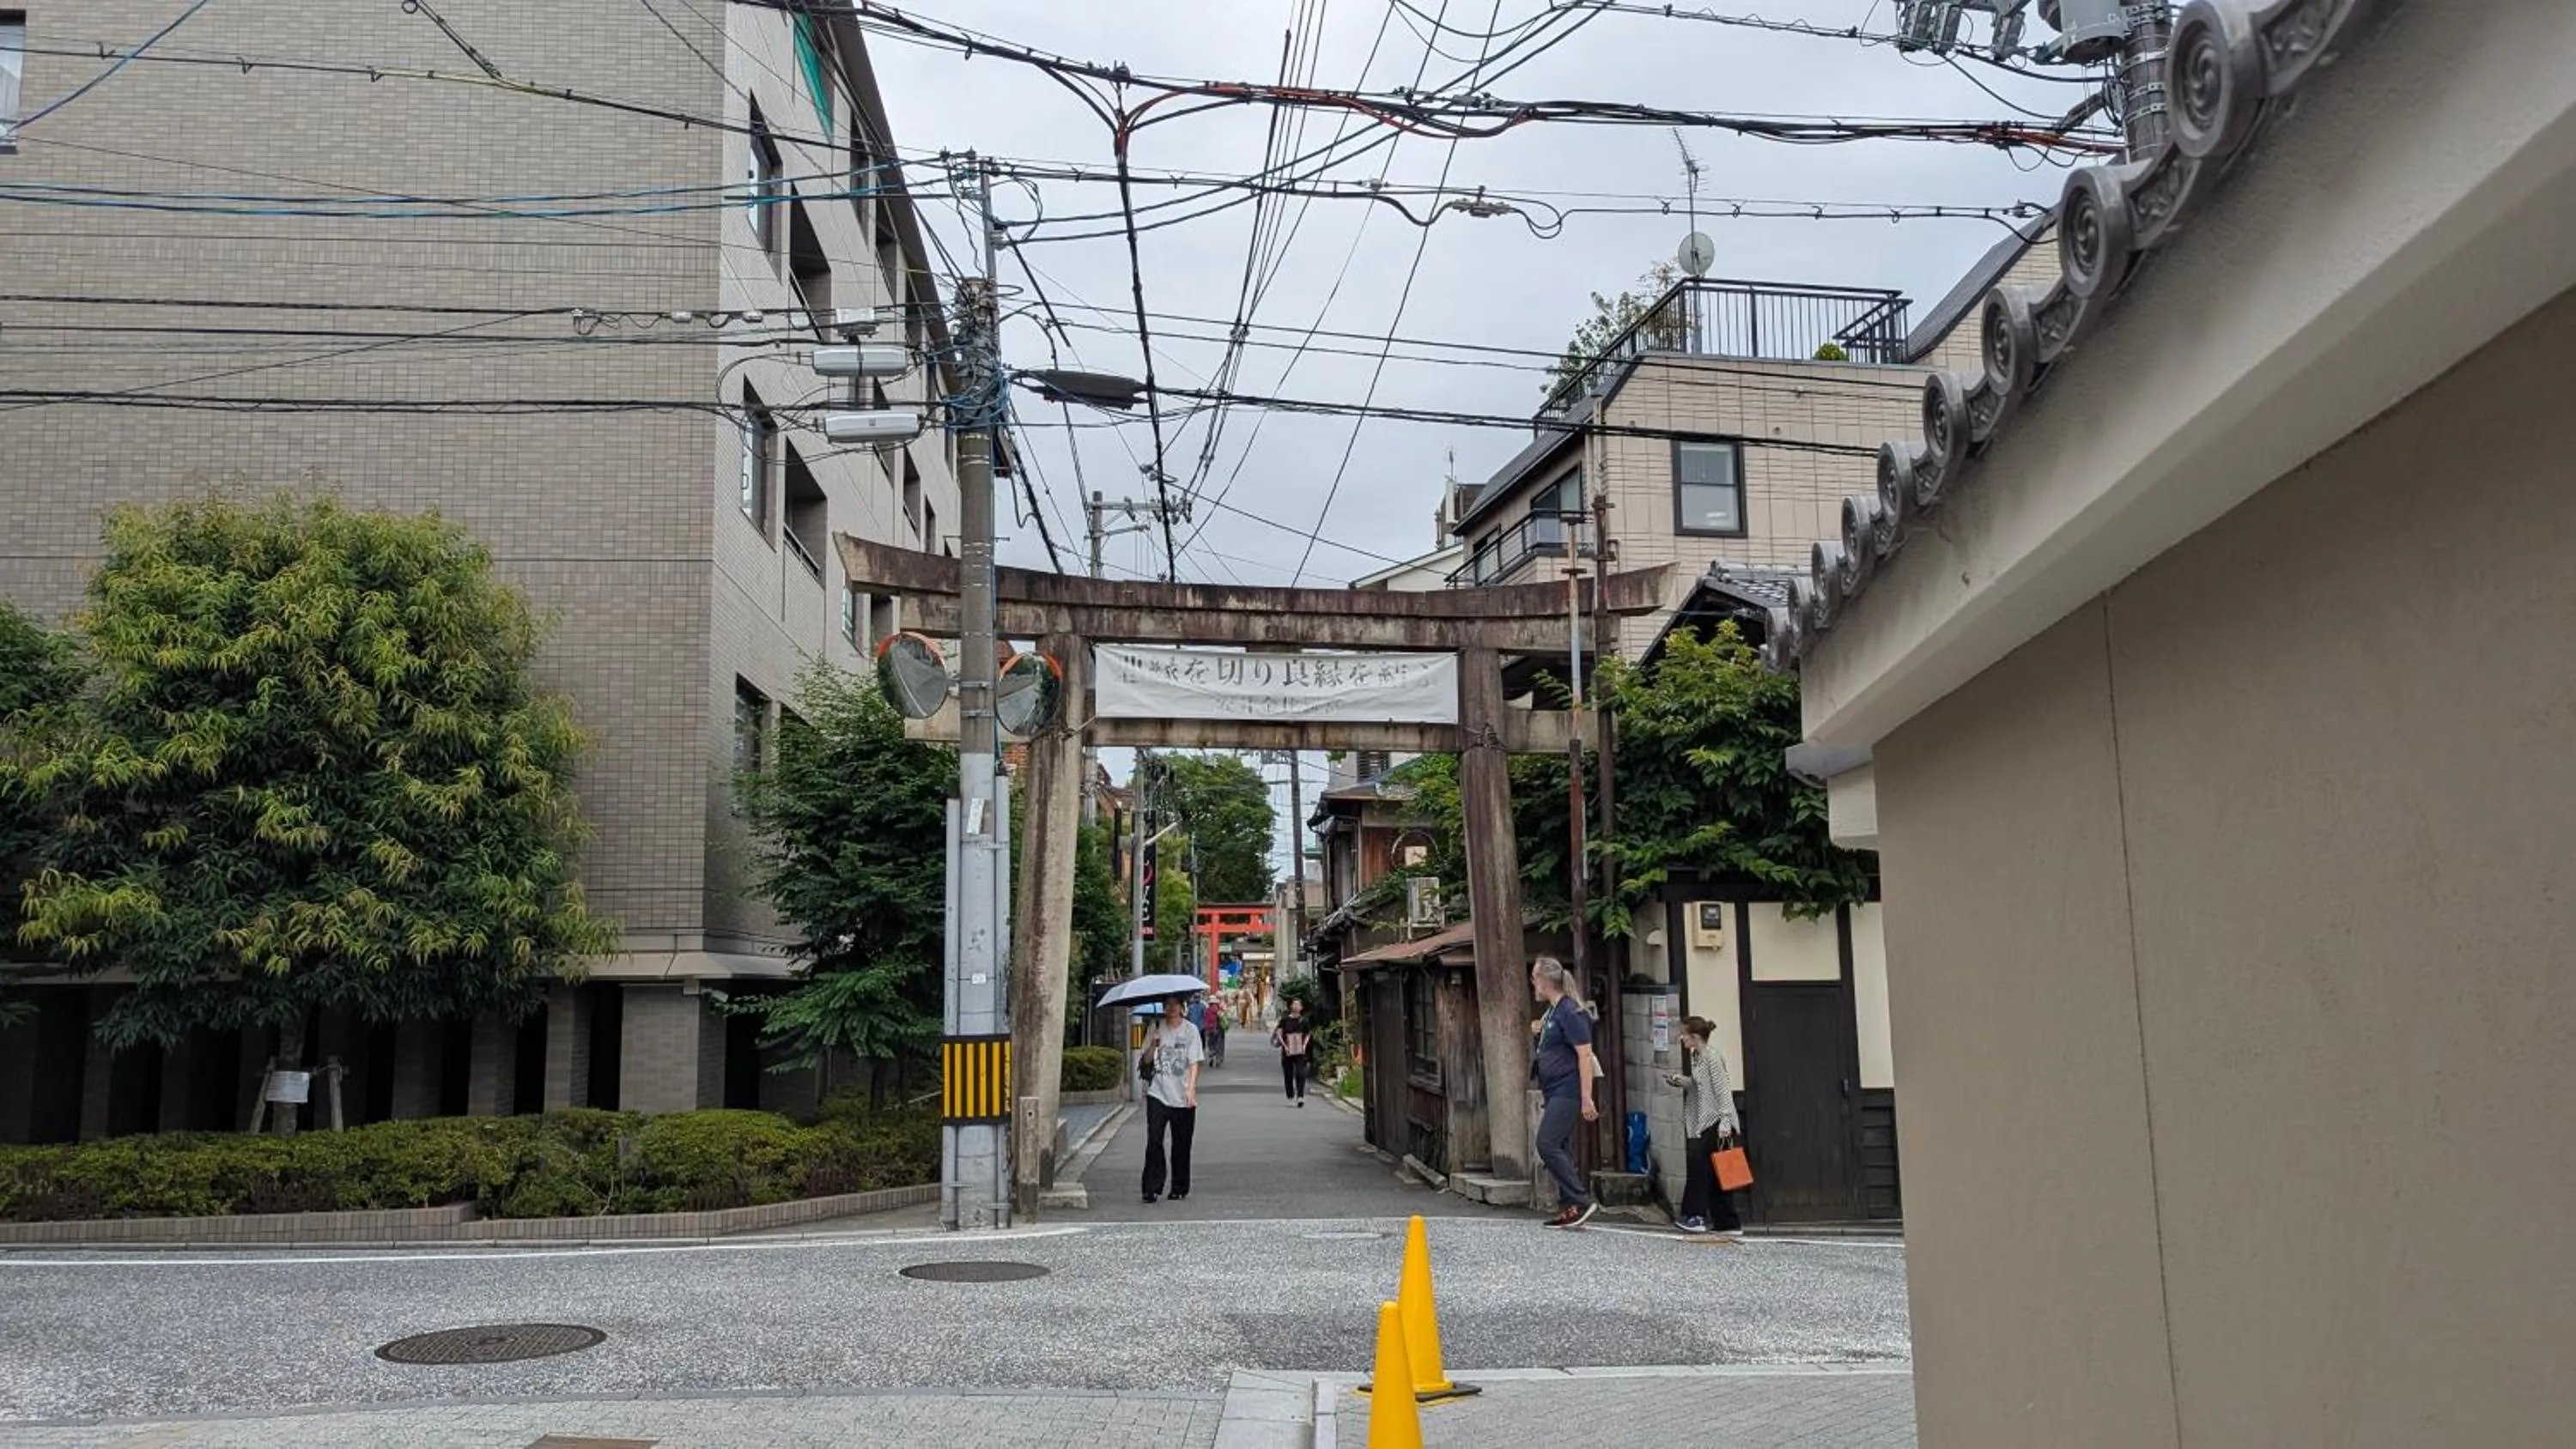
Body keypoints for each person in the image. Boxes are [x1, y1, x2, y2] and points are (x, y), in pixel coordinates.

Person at [1528, 956, 1600, 1228]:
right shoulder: (1554, 1010)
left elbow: (1584, 1054)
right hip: (1553, 1087)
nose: (1533, 983)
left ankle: (1581, 1200)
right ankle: (1571, 1206)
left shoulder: (1570, 1011)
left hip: (1567, 1088)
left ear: (1545, 982)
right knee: (1561, 1146)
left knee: (1546, 1143)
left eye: (1534, 978)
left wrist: (1586, 1097)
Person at [1666, 1016, 1745, 1239]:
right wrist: (1683, 1081)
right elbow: (1700, 1086)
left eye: (1684, 1034)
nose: (1681, 1038)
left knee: (1700, 1168)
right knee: (1716, 1173)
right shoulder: (1697, 1057)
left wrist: (1726, 1122)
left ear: (1696, 1037)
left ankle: (1695, 1216)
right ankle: (1727, 1222)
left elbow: (1723, 1091)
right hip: (1706, 1120)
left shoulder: (1711, 1057)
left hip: (1717, 1121)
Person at [1140, 1000, 1205, 1203]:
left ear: (1182, 1007)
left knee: (1182, 1144)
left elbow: (1194, 1062)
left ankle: (1179, 1186)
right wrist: (1154, 1043)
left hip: (1183, 1094)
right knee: (1154, 1141)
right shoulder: (1155, 1026)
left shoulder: (1191, 1030)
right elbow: (1147, 1060)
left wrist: (1191, 1088)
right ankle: (1151, 1187)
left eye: (1176, 1004)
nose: (1172, 1008)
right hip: (1158, 1093)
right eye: (1168, 1005)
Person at [1273, 997, 1314, 1107]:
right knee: (1288, 1074)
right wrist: (1285, 1046)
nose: (1296, 1006)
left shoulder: (1304, 1020)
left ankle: (1300, 1096)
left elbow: (1308, 1034)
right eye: (1294, 1004)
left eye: (1298, 1005)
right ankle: (1290, 1096)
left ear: (1301, 1007)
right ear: (1291, 1006)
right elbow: (1279, 1033)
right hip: (1287, 1051)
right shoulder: (1285, 1020)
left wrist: (1304, 1045)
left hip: (1301, 1051)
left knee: (1301, 1073)